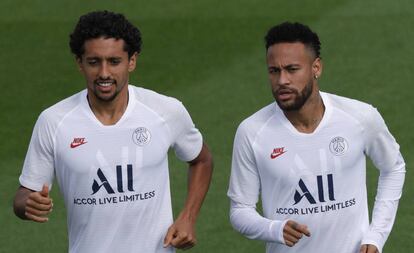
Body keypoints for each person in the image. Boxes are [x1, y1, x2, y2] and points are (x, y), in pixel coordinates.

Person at [13, 10, 213, 253]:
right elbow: (24, 195)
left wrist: (188, 217)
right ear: (80, 63)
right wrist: (28, 204)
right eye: (94, 62)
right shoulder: (53, 122)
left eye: (114, 61)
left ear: (132, 61)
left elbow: (202, 159)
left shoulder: (165, 111)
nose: (104, 73)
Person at [227, 22, 405, 253]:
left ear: (316, 68)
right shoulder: (252, 132)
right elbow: (240, 209)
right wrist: (274, 229)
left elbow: (393, 168)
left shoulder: (360, 117)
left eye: (292, 69)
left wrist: (376, 236)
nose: (282, 81)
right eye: (274, 71)